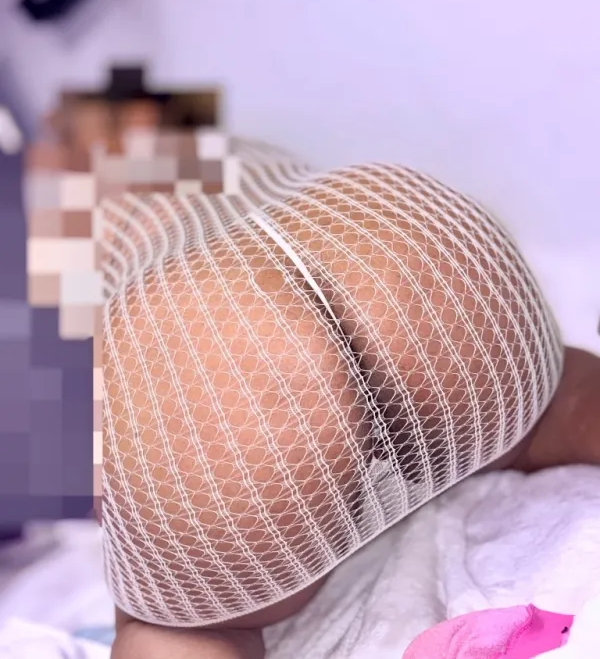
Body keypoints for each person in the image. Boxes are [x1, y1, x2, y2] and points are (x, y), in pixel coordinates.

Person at [101, 159, 600, 659]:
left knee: (184, 626)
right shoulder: (199, 153)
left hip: (199, 342)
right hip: (384, 233)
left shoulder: (71, 216)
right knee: (555, 408)